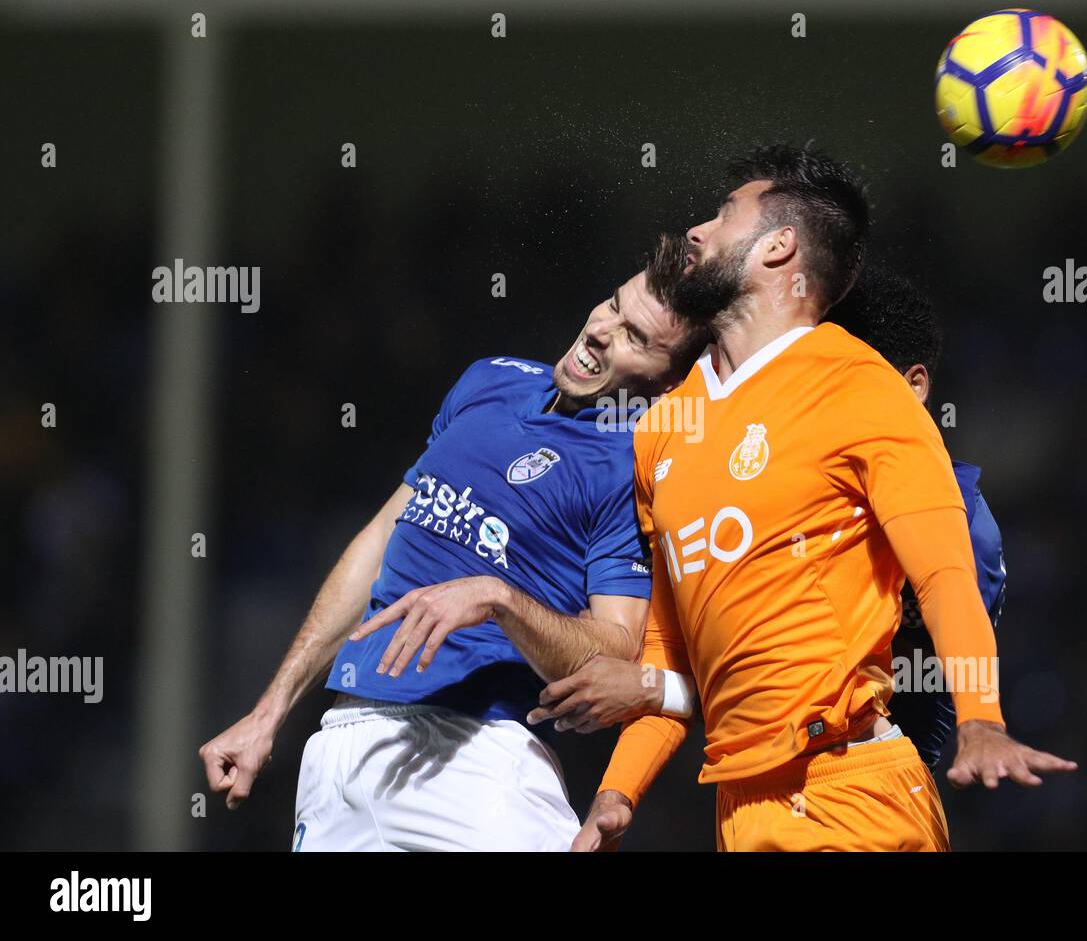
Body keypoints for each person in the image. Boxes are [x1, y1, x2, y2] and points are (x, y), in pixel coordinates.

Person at [570, 144, 1076, 851]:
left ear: (779, 247)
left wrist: (981, 719)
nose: (697, 231)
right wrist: (615, 795)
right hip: (739, 810)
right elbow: (667, 653)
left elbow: (944, 574)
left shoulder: (861, 389)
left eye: (723, 216)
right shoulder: (663, 428)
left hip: (849, 792)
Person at [199, 256, 707, 851]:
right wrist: (269, 714)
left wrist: (498, 599)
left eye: (635, 337)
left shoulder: (631, 464)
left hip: (476, 760)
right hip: (340, 750)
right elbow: (382, 539)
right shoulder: (489, 379)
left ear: (668, 381)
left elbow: (616, 651)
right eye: (615, 305)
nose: (601, 328)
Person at [530, 264, 1008, 771]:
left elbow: (904, 698)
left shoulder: (963, 536)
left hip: (863, 774)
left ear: (911, 387)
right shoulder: (716, 463)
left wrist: (653, 688)